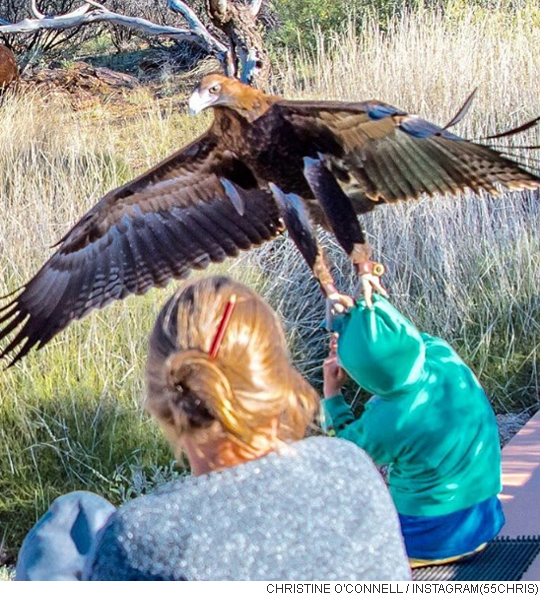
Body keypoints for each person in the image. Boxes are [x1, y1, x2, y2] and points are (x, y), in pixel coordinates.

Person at [16, 276, 411, 581]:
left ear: (160, 400)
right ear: (278, 380)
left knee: (70, 522)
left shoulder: (141, 540)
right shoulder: (352, 471)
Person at [321, 293, 505, 568]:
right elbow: (398, 338)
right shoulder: (441, 353)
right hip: (484, 522)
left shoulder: (389, 420)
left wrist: (332, 395)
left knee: (335, 545)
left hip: (428, 539)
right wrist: (360, 318)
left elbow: (342, 456)